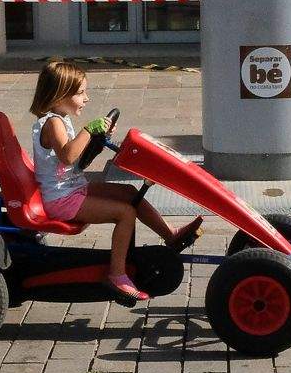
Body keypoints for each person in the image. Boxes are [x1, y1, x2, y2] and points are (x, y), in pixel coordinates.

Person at [30, 58, 200, 306]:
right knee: (125, 213)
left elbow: (78, 160)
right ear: (58, 96)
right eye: (80, 93)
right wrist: (88, 130)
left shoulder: (60, 118)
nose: (86, 98)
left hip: (71, 188)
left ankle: (169, 235)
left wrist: (96, 141)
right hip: (61, 199)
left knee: (130, 192)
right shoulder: (52, 123)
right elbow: (67, 156)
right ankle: (116, 275)